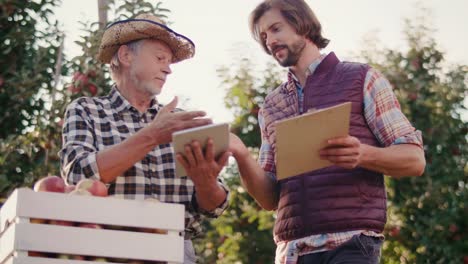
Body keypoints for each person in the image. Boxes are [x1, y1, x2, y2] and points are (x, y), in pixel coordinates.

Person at [228, 0, 426, 263]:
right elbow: (269, 199)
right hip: (292, 252)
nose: (269, 41)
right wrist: (241, 156)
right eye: (263, 36)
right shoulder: (271, 106)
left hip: (352, 244)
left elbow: (414, 160)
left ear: (302, 24)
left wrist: (363, 155)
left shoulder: (361, 78)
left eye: (276, 29)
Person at [59, 13, 231, 263]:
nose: (168, 69)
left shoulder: (180, 122)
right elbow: (77, 175)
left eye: (170, 61)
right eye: (160, 58)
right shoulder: (86, 110)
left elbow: (215, 205)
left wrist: (206, 182)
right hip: (107, 249)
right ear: (126, 56)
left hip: (177, 251)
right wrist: (152, 135)